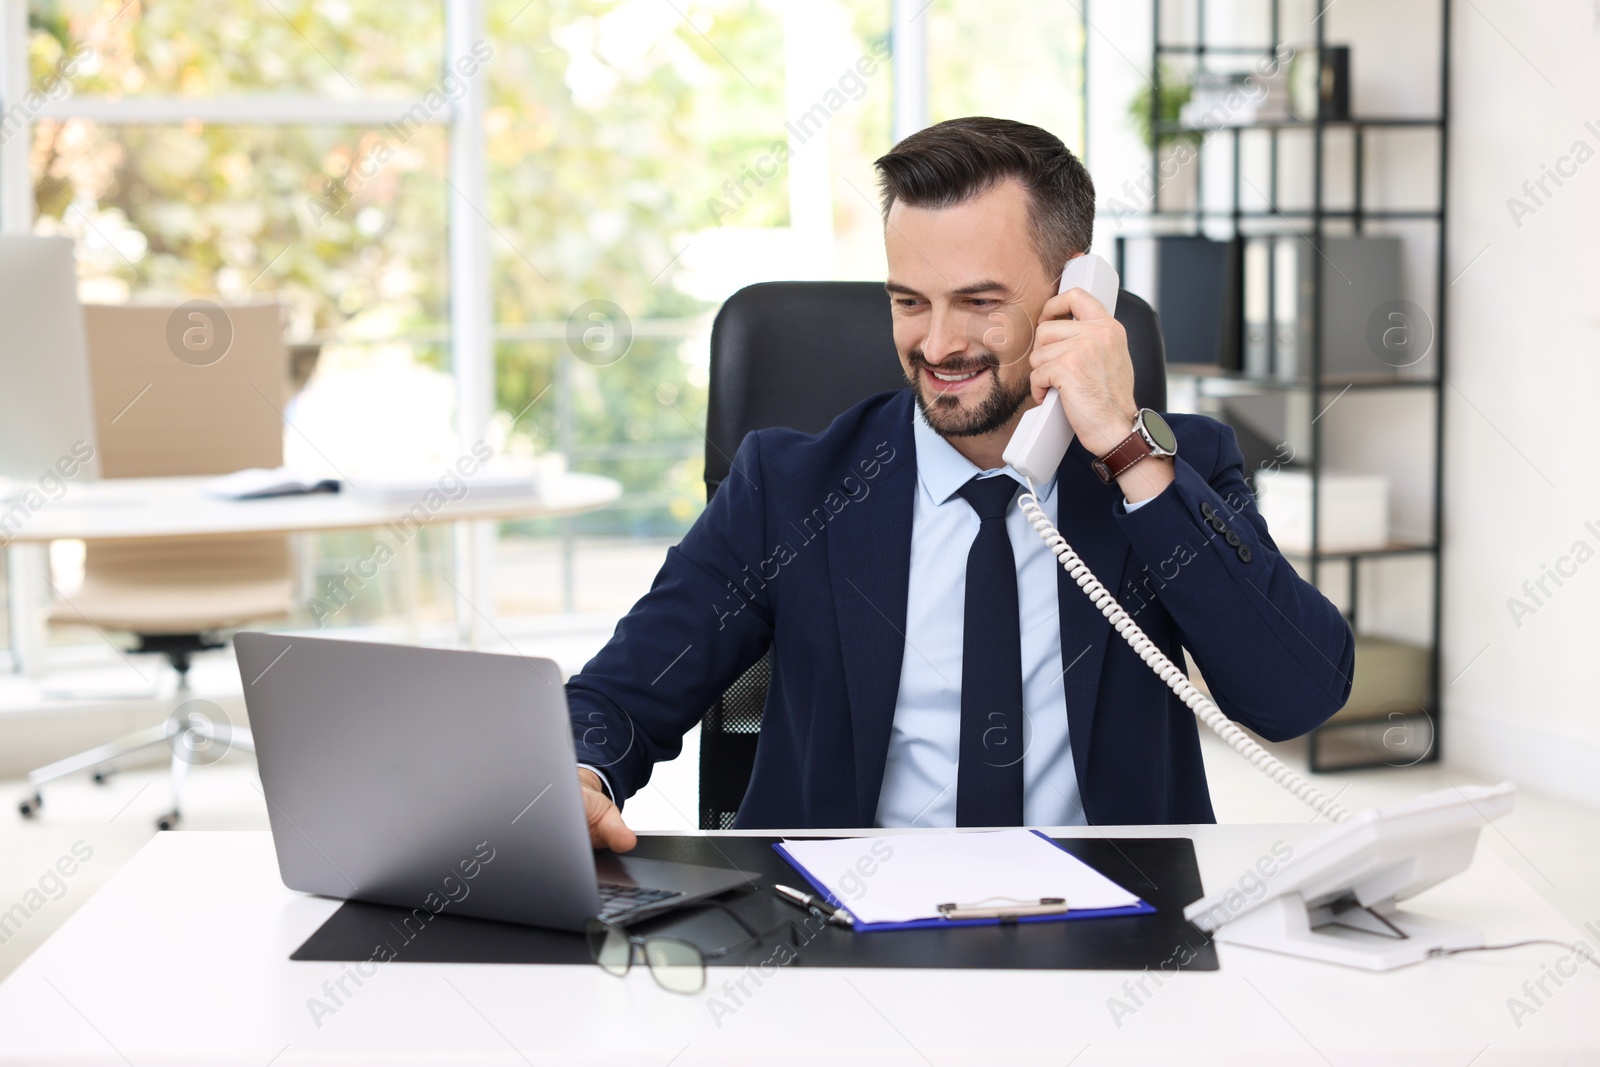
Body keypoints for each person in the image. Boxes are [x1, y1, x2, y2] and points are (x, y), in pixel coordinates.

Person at [570, 116, 1354, 851]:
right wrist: (578, 774)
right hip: (843, 941)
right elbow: (618, 695)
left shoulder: (1168, 472)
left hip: (1118, 935)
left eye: (980, 303)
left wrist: (1123, 448)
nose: (938, 344)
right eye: (910, 302)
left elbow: (1296, 695)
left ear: (1073, 300)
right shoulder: (788, 486)